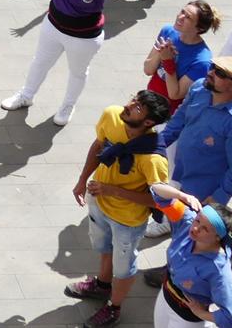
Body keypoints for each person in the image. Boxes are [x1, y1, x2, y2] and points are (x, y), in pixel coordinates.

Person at [63, 89, 173, 328]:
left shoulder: (154, 159)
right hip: (99, 204)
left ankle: (114, 308)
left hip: (127, 220)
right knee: (103, 248)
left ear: (148, 122)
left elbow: (158, 201)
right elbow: (98, 145)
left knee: (124, 268)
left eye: (137, 107)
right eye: (134, 99)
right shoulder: (112, 116)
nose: (129, 105)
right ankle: (102, 285)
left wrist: (112, 191)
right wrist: (82, 180)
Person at [1, 0, 119, 127]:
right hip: (54, 24)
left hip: (83, 36)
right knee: (40, 61)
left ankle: (68, 105)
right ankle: (26, 95)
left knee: (77, 72)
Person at [142, 183, 232, 328]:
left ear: (218, 237)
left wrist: (203, 315)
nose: (196, 228)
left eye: (205, 229)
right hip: (165, 296)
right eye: (197, 220)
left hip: (186, 318)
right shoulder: (186, 221)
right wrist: (182, 196)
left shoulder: (219, 270)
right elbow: (157, 190)